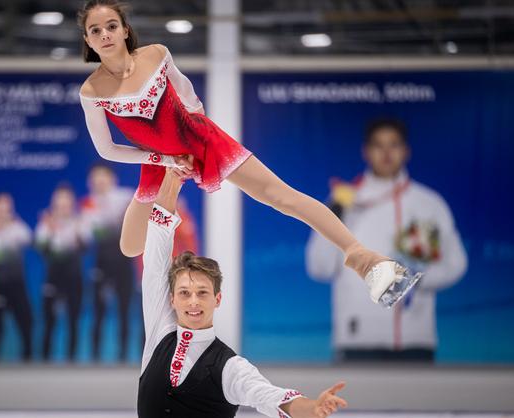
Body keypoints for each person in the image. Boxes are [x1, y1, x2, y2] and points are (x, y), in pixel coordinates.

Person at [76, 0, 415, 307]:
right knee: (130, 245)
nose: (105, 34)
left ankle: (364, 258)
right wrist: (163, 160)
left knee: (281, 197)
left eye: (111, 26)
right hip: (160, 160)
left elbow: (185, 89)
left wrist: (196, 121)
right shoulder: (91, 90)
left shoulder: (156, 54)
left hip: (201, 139)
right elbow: (106, 148)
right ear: (88, 41)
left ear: (124, 30)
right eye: (95, 30)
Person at [122, 167, 347, 418]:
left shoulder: (230, 367)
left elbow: (269, 397)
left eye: (202, 293)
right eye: (185, 293)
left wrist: (312, 408)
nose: (193, 301)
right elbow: (156, 252)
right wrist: (173, 180)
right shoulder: (159, 333)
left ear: (217, 299)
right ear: (171, 299)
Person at [305, 118, 468, 362]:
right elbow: (318, 267)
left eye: (394, 145)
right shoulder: (344, 200)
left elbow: (455, 264)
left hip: (416, 340)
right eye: (378, 145)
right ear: (366, 151)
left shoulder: (428, 204)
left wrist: (417, 280)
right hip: (357, 339)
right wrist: (333, 213)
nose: (387, 153)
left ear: (406, 151)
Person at [81, 163, 136, 362]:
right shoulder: (88, 204)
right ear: (90, 182)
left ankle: (124, 357)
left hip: (124, 262)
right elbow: (86, 236)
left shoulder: (125, 196)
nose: (99, 181)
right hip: (101, 263)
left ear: (112, 178)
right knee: (98, 310)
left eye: (102, 176)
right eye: (95, 178)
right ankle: (95, 357)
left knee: (125, 310)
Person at [36, 184, 90, 362]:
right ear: (54, 203)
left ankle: (71, 360)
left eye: (66, 201)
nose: (63, 205)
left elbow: (85, 247)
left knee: (73, 320)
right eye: (59, 201)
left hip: (74, 277)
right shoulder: (46, 223)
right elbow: (41, 249)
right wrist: (50, 231)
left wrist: (77, 235)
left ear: (71, 203)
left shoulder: (79, 221)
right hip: (53, 277)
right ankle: (44, 360)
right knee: (49, 320)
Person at [0, 193, 33, 362]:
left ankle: (29, 370)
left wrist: (12, 224)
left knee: (26, 328)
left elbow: (27, 238)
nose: (3, 213)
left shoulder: (18, 228)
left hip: (18, 286)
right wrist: (1, 232)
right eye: (0, 209)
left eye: (7, 209)